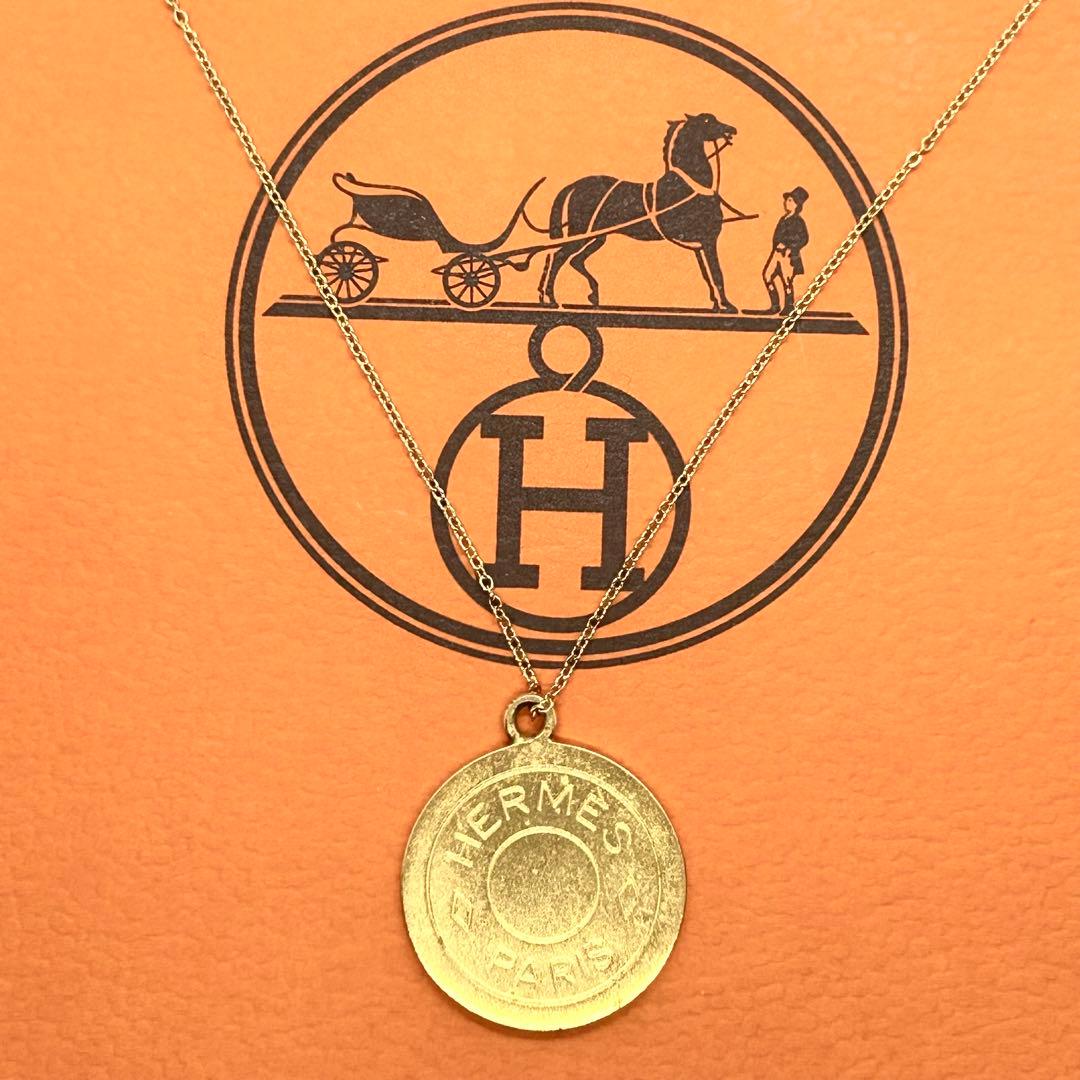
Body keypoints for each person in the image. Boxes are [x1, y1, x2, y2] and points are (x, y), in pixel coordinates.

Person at [762, 187, 810, 314]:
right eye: (787, 200)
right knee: (767, 276)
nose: (786, 202)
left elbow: (804, 239)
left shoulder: (798, 221)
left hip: (788, 256)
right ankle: (775, 305)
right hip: (776, 254)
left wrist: (789, 248)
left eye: (790, 200)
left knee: (787, 281)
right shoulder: (783, 218)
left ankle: (789, 307)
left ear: (797, 204)